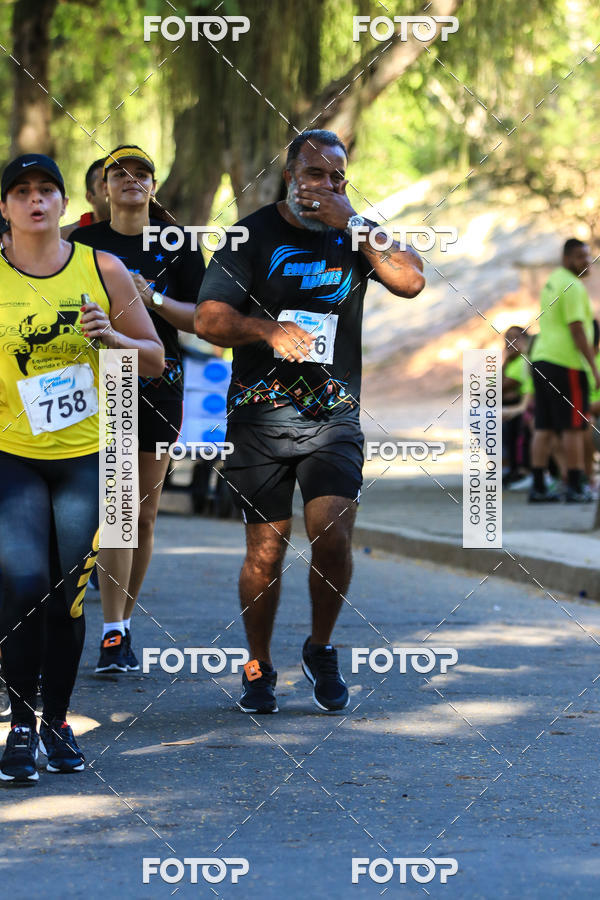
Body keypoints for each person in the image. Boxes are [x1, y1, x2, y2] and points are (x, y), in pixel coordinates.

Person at [195, 129, 424, 714]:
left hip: (333, 416)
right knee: (265, 551)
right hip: (259, 417)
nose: (324, 185)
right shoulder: (251, 234)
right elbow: (209, 318)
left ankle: (321, 648)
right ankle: (259, 663)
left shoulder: (356, 234)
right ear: (289, 176)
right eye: (313, 174)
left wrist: (356, 224)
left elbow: (411, 280)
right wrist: (266, 329)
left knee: (334, 536)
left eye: (336, 177)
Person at [0, 153, 164, 783]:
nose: (35, 200)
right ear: (5, 207)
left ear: (65, 204)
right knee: (22, 585)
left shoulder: (102, 269)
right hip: (12, 457)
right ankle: (20, 726)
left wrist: (112, 339)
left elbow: (153, 358)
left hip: (87, 456)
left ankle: (57, 721)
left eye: (46, 189)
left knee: (66, 594)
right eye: (21, 191)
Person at [70, 145, 205, 674]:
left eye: (141, 172)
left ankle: (122, 625)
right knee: (117, 509)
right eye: (118, 173)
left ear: (153, 185)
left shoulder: (178, 244)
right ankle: (109, 629)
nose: (131, 179)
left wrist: (154, 301)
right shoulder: (82, 244)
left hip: (159, 379)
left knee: (143, 514)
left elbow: (203, 320)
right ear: (102, 188)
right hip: (102, 382)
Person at [529, 238, 600, 503]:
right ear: (567, 258)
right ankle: (575, 487)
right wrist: (593, 367)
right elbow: (577, 329)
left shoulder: (553, 281)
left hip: (541, 359)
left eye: (588, 256)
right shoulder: (573, 285)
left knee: (544, 426)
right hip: (565, 362)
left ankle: (538, 487)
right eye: (581, 257)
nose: (587, 261)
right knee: (573, 428)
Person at [502, 326, 533, 487]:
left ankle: (521, 470)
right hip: (521, 405)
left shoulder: (524, 361)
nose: (510, 342)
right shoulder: (511, 362)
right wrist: (506, 360)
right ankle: (510, 468)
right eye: (507, 338)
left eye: (515, 337)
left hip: (527, 406)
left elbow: (499, 389)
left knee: (521, 419)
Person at [60, 158, 109, 239]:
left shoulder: (132, 232)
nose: (111, 189)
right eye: (104, 186)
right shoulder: (65, 237)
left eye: (114, 182)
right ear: (89, 197)